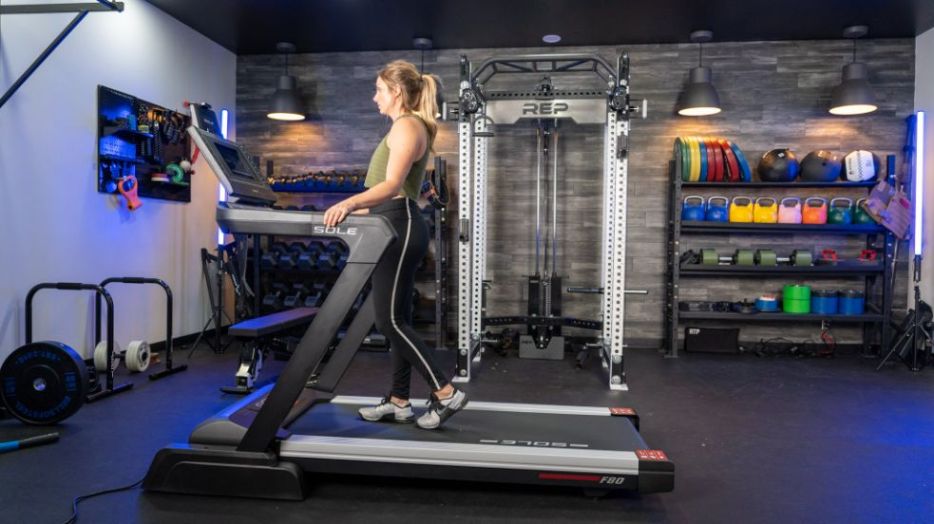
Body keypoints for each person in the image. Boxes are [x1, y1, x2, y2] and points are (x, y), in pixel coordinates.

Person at [322, 60, 467, 430]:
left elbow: (392, 187)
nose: (375, 97)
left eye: (379, 90)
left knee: (388, 321)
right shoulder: (409, 126)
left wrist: (348, 203)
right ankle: (400, 400)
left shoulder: (406, 126)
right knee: (396, 317)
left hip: (397, 228)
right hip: (392, 224)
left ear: (396, 92)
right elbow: (398, 192)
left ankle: (446, 392)